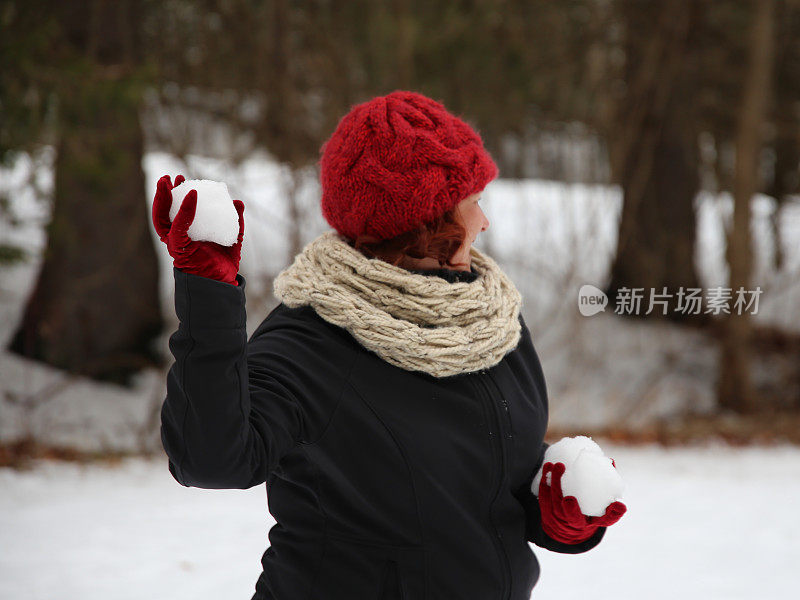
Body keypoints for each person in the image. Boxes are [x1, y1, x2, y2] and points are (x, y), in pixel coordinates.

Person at [152, 90, 626, 600]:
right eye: (473, 204)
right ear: (428, 223)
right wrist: (207, 294)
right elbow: (211, 459)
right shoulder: (313, 340)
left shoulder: (489, 322)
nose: (483, 222)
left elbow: (485, 486)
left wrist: (556, 510)